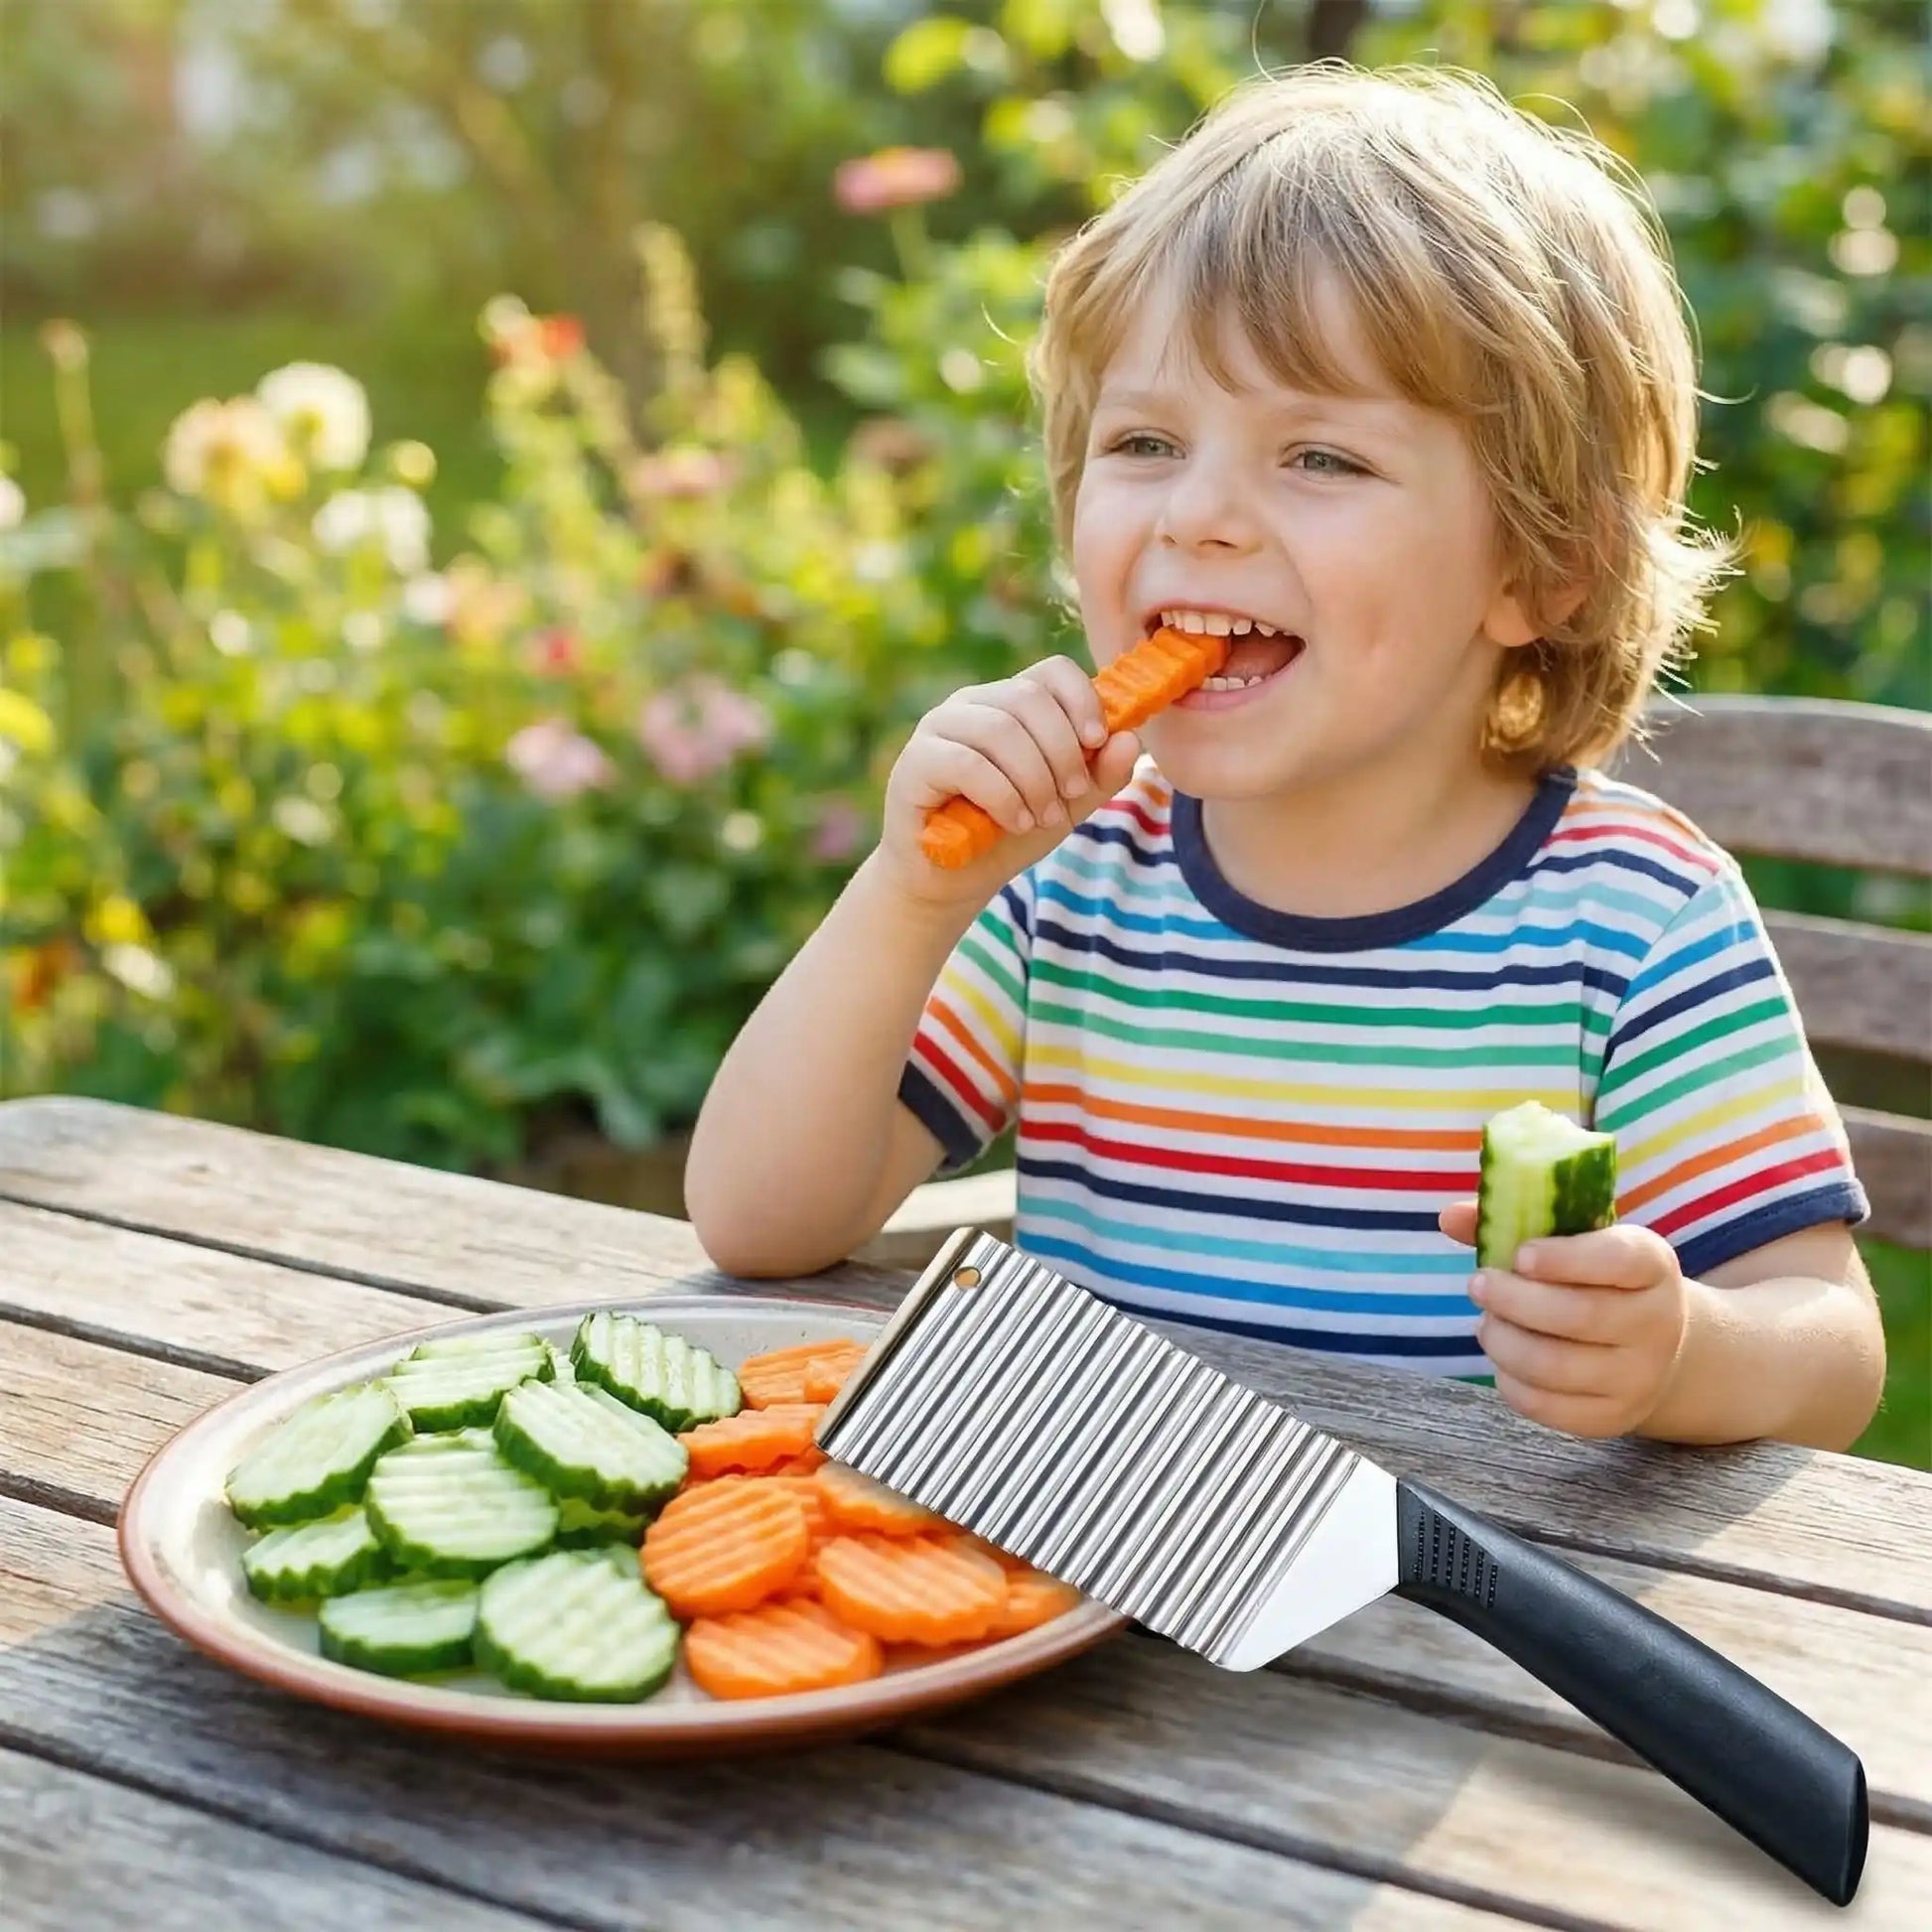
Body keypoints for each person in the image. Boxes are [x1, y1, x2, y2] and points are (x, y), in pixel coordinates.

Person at [684, 63, 1885, 1452]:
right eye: (1144, 440)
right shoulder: (1068, 874)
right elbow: (757, 1222)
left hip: (1444, 1622)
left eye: (1316, 457)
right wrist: (909, 896)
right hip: (1099, 1573)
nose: (1198, 514)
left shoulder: (1629, 919)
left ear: (1544, 568)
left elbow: (1828, 1334)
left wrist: (1682, 1351)